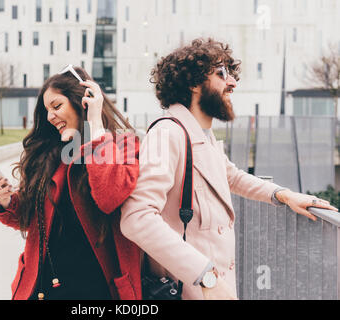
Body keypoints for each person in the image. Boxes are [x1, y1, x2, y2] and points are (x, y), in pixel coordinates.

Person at [120, 38, 338, 300]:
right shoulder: (167, 133)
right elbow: (137, 218)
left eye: (231, 74)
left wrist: (284, 195)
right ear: (193, 83)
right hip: (190, 289)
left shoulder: (201, 135)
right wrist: (205, 276)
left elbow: (231, 175)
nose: (232, 82)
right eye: (221, 73)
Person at [0, 65, 141, 300]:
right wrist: (6, 200)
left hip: (97, 290)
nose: (50, 117)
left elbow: (111, 196)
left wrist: (96, 130)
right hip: (42, 288)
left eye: (57, 106)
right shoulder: (49, 153)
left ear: (84, 101)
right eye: (47, 110)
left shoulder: (123, 146)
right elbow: (32, 219)